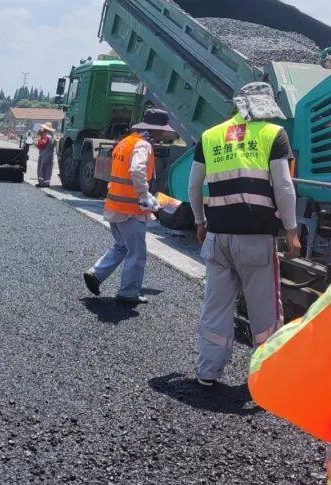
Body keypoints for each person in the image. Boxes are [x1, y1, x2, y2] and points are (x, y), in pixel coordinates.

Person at [188, 82, 301, 387]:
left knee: (216, 306)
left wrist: (200, 220)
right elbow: (284, 186)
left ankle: (207, 372)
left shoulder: (209, 136)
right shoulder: (272, 134)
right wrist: (291, 230)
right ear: (266, 104)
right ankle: (266, 378)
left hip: (217, 238)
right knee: (264, 311)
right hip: (256, 240)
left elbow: (194, 186)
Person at [84, 109, 175, 304]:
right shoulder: (143, 145)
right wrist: (144, 195)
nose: (164, 134)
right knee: (137, 253)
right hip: (130, 211)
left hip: (114, 205)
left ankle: (96, 274)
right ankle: (128, 293)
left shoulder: (126, 142)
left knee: (122, 245)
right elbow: (136, 170)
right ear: (156, 130)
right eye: (162, 130)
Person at [35, 123, 56, 188]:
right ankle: (47, 183)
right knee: (48, 169)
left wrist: (36, 143)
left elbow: (42, 144)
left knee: (41, 168)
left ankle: (41, 183)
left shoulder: (46, 136)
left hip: (44, 155)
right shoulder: (53, 137)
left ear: (46, 129)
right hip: (51, 155)